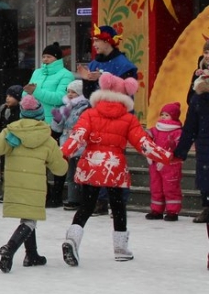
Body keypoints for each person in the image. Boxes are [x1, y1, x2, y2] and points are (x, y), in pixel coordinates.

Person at [60, 73, 171, 265]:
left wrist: (62, 154)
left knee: (86, 205)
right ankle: (121, 249)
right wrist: (166, 156)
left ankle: (72, 239)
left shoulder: (90, 114)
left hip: (91, 163)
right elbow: (144, 143)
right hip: (114, 166)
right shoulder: (128, 118)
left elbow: (77, 137)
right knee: (118, 206)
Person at [0, 93, 67, 272]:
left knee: (28, 216)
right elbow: (59, 169)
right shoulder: (47, 139)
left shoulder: (11, 133)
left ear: (22, 114)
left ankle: (32, 255)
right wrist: (64, 161)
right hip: (35, 186)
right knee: (30, 220)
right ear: (40, 116)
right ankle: (10, 248)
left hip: (15, 183)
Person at [50, 80, 90, 212]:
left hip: (80, 145)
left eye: (74, 92)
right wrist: (57, 119)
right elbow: (58, 128)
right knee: (70, 174)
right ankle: (73, 199)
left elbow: (81, 125)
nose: (70, 94)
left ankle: (84, 200)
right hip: (67, 144)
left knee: (81, 173)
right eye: (69, 92)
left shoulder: (84, 108)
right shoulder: (66, 107)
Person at [175, 78, 209, 226]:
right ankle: (207, 207)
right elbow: (190, 127)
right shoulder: (198, 97)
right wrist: (181, 151)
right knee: (205, 179)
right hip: (205, 145)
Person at [146, 102, 184, 221]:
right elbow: (146, 137)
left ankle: (172, 211)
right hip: (155, 163)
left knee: (171, 188)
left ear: (174, 116)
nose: (163, 117)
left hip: (171, 164)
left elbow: (179, 147)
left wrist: (170, 156)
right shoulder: (156, 129)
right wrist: (148, 151)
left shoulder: (177, 131)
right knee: (156, 187)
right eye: (162, 114)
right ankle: (156, 210)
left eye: (167, 115)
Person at [76, 24, 137, 99]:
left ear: (107, 41)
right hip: (98, 106)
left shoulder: (124, 65)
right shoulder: (93, 64)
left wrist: (102, 77)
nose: (94, 44)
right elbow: (88, 95)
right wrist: (87, 80)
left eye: (97, 41)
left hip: (118, 105)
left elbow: (126, 91)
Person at [26, 42, 74, 122]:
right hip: (32, 118)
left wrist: (35, 91)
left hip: (52, 120)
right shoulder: (37, 72)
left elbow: (60, 98)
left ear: (57, 59)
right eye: (43, 57)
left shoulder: (66, 75)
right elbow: (26, 92)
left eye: (49, 57)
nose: (45, 59)